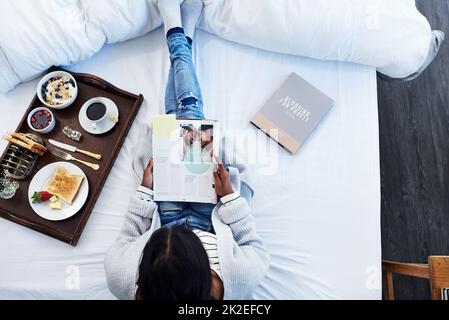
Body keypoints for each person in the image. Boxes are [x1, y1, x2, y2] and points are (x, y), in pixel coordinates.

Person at [105, 0, 270, 300]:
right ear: (205, 274)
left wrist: (144, 192)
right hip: (214, 213)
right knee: (189, 120)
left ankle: (179, 34)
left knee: (180, 123)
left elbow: (128, 237)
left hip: (163, 210)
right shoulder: (242, 280)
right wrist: (231, 197)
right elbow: (252, 245)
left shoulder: (122, 280)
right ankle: (179, 34)